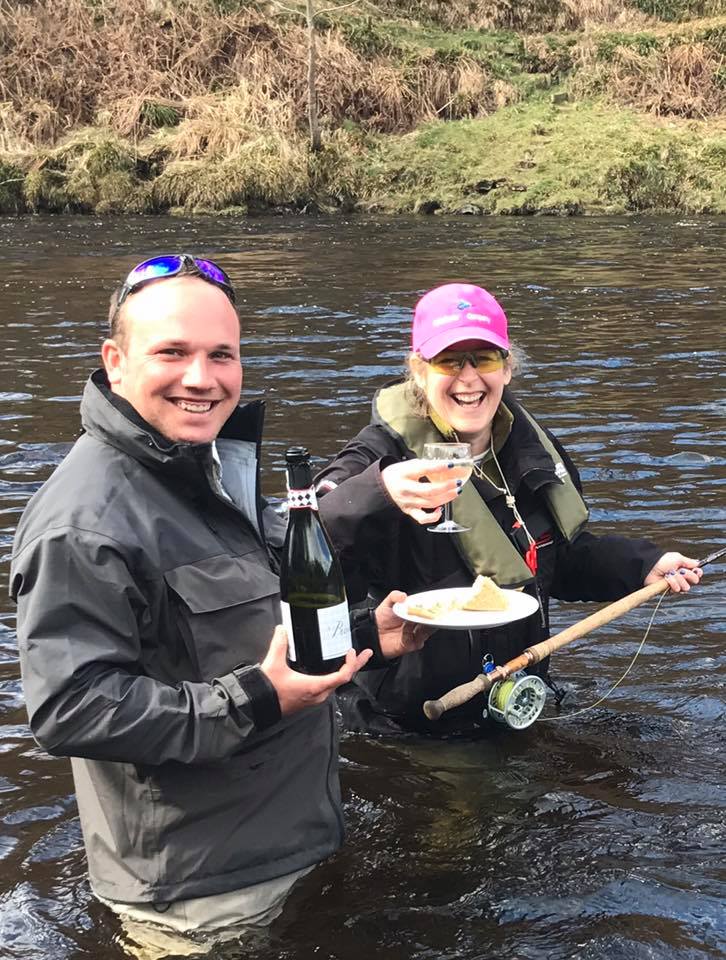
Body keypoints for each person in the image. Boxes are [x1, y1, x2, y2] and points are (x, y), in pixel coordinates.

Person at [9, 254, 426, 939]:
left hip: (292, 849)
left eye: (221, 355)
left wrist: (365, 637)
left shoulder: (211, 470)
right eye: (172, 352)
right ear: (115, 362)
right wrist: (257, 699)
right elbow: (71, 709)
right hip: (200, 901)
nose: (201, 378)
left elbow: (250, 640)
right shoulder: (82, 524)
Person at [315, 282, 703, 737]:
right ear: (419, 370)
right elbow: (297, 539)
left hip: (513, 699)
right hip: (407, 725)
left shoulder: (532, 448)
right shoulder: (374, 457)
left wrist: (643, 565)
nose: (468, 379)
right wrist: (378, 492)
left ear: (507, 367)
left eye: (483, 358)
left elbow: (560, 561)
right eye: (448, 361)